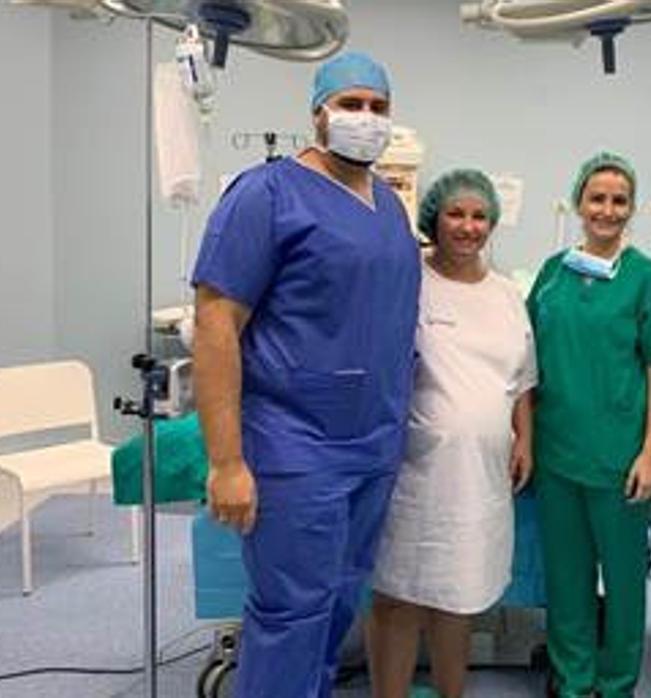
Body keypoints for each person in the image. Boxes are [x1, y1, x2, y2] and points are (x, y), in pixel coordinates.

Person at [191, 51, 421, 698]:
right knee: (291, 613)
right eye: (351, 105)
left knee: (339, 603)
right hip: (295, 446)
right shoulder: (265, 195)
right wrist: (227, 462)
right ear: (317, 113)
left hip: (372, 442)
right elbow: (214, 325)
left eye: (378, 108)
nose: (365, 119)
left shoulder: (389, 205)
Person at [365, 169, 537, 698]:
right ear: (433, 219)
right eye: (456, 214)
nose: (468, 226)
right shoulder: (408, 278)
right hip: (413, 471)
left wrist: (524, 438)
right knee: (398, 595)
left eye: (479, 215)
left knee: (460, 596)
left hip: (481, 476)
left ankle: (450, 693)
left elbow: (521, 379)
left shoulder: (506, 295)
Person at [528, 151, 651, 698]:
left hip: (619, 457)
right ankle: (574, 680)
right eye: (597, 198)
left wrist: (650, 451)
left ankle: (617, 682)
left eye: (619, 200)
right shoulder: (553, 274)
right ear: (579, 202)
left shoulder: (644, 277)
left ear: (632, 209)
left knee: (623, 582)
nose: (607, 209)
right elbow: (528, 358)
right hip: (557, 453)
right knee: (567, 579)